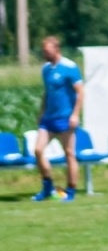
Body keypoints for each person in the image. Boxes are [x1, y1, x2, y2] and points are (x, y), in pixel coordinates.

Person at [32, 35, 84, 202]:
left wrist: (75, 114)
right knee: (38, 150)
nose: (45, 54)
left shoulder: (69, 67)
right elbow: (47, 93)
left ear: (56, 49)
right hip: (48, 118)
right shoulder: (46, 69)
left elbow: (81, 92)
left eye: (47, 51)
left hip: (65, 118)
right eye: (44, 51)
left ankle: (71, 191)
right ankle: (47, 186)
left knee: (69, 154)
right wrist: (41, 112)